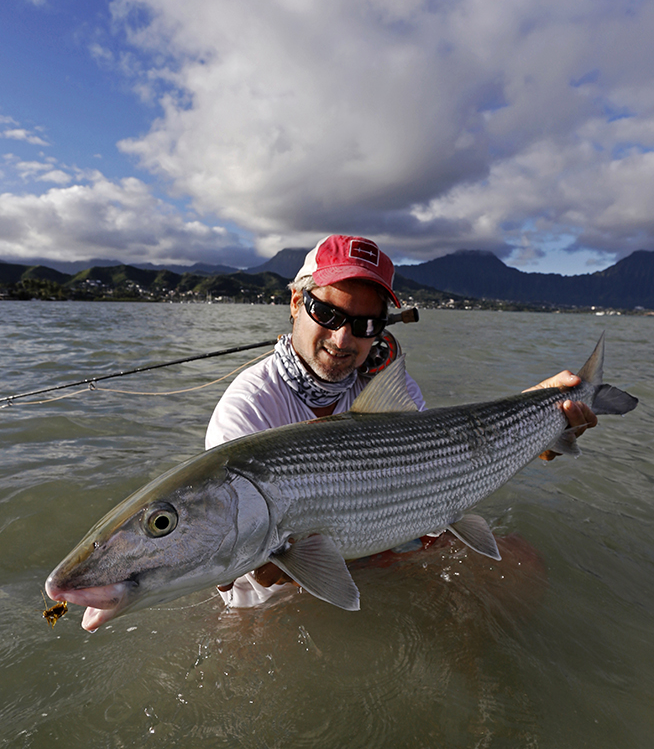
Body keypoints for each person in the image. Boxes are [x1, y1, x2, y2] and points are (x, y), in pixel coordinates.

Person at [205, 234, 597, 606]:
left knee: (523, 564)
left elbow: (442, 459)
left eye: (365, 326)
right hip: (282, 598)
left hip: (380, 555)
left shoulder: (383, 379)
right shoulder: (247, 408)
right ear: (295, 302)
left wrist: (539, 424)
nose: (343, 340)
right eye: (326, 313)